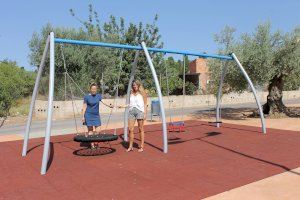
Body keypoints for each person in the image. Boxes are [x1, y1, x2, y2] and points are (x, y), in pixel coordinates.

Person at [119, 80, 147, 152]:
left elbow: (145, 104)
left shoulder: (142, 93)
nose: (134, 86)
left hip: (140, 111)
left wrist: (145, 113)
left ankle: (141, 146)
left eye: (135, 85)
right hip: (131, 111)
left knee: (141, 129)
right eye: (133, 85)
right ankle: (130, 146)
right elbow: (129, 104)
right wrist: (122, 106)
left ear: (138, 85)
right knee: (130, 129)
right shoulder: (131, 93)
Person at [82, 83, 113, 148]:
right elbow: (84, 106)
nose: (93, 90)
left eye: (95, 89)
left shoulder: (98, 96)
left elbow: (104, 101)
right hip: (88, 115)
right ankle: (92, 144)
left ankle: (95, 142)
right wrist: (83, 116)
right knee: (90, 131)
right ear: (90, 89)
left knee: (98, 131)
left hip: (96, 115)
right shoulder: (86, 96)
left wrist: (109, 105)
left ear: (96, 89)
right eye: (92, 89)